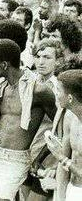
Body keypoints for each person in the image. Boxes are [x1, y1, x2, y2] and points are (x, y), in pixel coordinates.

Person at [0, 38, 57, 201]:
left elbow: (61, 126)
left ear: (5, 65)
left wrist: (41, 157)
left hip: (14, 159)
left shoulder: (39, 90)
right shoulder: (0, 86)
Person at [46, 67, 82, 201]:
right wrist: (60, 197)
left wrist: (60, 157)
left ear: (70, 97)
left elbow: (62, 158)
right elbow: (63, 162)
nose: (55, 94)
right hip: (72, 188)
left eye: (58, 91)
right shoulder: (69, 116)